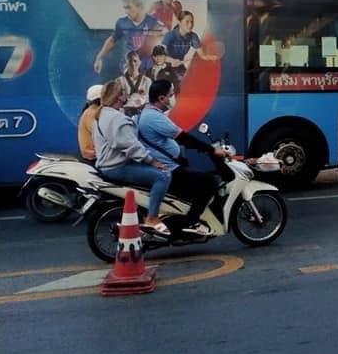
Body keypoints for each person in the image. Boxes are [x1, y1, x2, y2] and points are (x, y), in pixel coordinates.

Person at [137, 79, 227, 236]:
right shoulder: (153, 117)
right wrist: (212, 149)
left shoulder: (150, 113)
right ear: (162, 98)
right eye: (171, 94)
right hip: (169, 168)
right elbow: (184, 138)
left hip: (170, 165)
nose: (174, 98)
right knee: (211, 182)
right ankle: (191, 221)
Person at [92, 80, 172, 236]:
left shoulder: (103, 114)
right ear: (119, 96)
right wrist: (152, 161)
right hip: (116, 167)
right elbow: (131, 146)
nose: (127, 95)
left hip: (107, 165)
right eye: (124, 92)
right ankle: (152, 217)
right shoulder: (116, 118)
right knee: (163, 175)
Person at [93, 0, 164, 75]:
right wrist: (99, 58)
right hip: (128, 63)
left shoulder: (154, 22)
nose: (126, 11)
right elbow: (112, 40)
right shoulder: (122, 22)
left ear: (140, 7)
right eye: (125, 8)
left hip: (147, 63)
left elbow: (159, 45)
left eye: (129, 7)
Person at [162, 10, 218, 81]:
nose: (190, 25)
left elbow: (202, 55)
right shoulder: (170, 35)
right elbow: (160, 54)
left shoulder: (193, 37)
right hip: (163, 64)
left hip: (179, 66)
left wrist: (211, 57)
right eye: (187, 22)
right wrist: (172, 60)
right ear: (179, 22)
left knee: (186, 82)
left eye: (192, 22)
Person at [116, 50, 151, 117]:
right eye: (130, 61)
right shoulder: (119, 81)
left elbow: (149, 100)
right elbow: (116, 100)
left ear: (140, 62)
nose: (133, 64)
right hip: (124, 113)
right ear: (126, 63)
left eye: (135, 61)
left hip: (142, 113)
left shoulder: (147, 81)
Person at [77, 84, 104, 164]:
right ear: (100, 99)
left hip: (98, 155)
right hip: (93, 157)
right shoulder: (91, 113)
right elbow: (102, 134)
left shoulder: (94, 111)